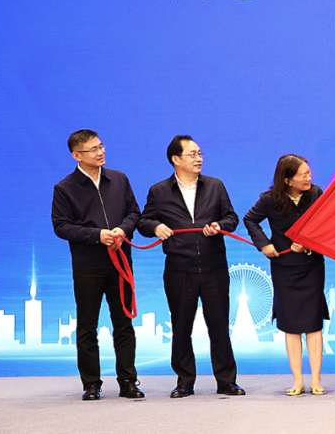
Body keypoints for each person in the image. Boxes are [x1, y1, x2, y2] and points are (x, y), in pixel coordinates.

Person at [138, 135, 244, 398]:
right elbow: (143, 222)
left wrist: (220, 226)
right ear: (176, 159)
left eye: (200, 153)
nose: (199, 159)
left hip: (214, 267)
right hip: (179, 269)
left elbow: (231, 217)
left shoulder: (215, 186)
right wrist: (156, 227)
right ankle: (185, 381)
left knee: (219, 326)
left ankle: (226, 381)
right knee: (181, 327)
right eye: (192, 154)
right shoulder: (159, 191)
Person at [51, 129, 144, 401]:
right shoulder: (65, 188)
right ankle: (91, 384)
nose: (100, 152)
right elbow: (61, 226)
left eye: (101, 146)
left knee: (124, 324)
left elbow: (134, 213)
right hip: (87, 267)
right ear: (76, 155)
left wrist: (122, 230)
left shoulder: (119, 179)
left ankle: (128, 381)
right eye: (93, 149)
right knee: (87, 327)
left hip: (121, 263)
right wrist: (97, 235)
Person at [243, 155, 330, 396]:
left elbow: (326, 223)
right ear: (287, 180)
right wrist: (264, 244)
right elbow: (250, 220)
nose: (309, 178)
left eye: (309, 173)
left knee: (313, 324)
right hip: (284, 267)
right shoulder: (269, 199)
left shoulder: (316, 194)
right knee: (291, 325)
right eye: (303, 175)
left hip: (311, 266)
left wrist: (308, 242)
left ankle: (316, 379)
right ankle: (298, 381)